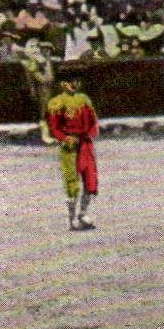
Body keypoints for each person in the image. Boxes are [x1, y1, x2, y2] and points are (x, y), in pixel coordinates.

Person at [44, 65, 100, 231]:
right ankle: (72, 218)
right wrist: (64, 138)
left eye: (77, 81)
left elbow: (92, 120)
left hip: (85, 144)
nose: (74, 84)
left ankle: (83, 213)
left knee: (91, 181)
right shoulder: (56, 103)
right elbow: (53, 127)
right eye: (70, 82)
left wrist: (91, 133)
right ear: (62, 84)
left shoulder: (84, 99)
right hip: (69, 146)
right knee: (72, 182)